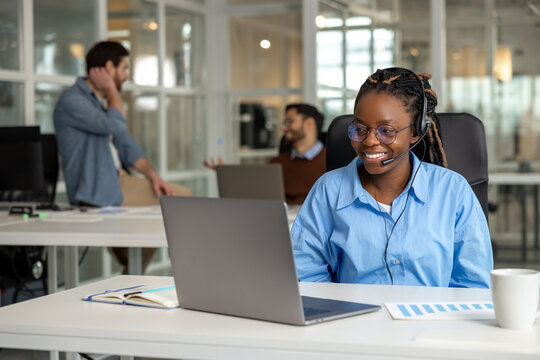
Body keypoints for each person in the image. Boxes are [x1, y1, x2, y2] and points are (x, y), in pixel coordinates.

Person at [291, 67, 493, 288]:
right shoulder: (328, 190)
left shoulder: (453, 191)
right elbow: (306, 274)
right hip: (353, 320)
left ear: (416, 131)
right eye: (359, 129)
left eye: (386, 130)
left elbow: (473, 285)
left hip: (435, 320)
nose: (369, 141)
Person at [53, 41, 192, 273]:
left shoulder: (98, 103)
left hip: (116, 182)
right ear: (109, 67)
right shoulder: (73, 101)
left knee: (143, 240)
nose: (126, 76)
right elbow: (116, 124)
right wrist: (111, 89)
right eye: (124, 68)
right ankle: (134, 279)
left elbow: (128, 147)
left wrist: (153, 176)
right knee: (182, 200)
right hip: (98, 190)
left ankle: (131, 281)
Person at [204, 103, 326, 204]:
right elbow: (256, 193)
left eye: (289, 122)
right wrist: (227, 176)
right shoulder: (277, 163)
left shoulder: (332, 161)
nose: (284, 128)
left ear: (309, 123)